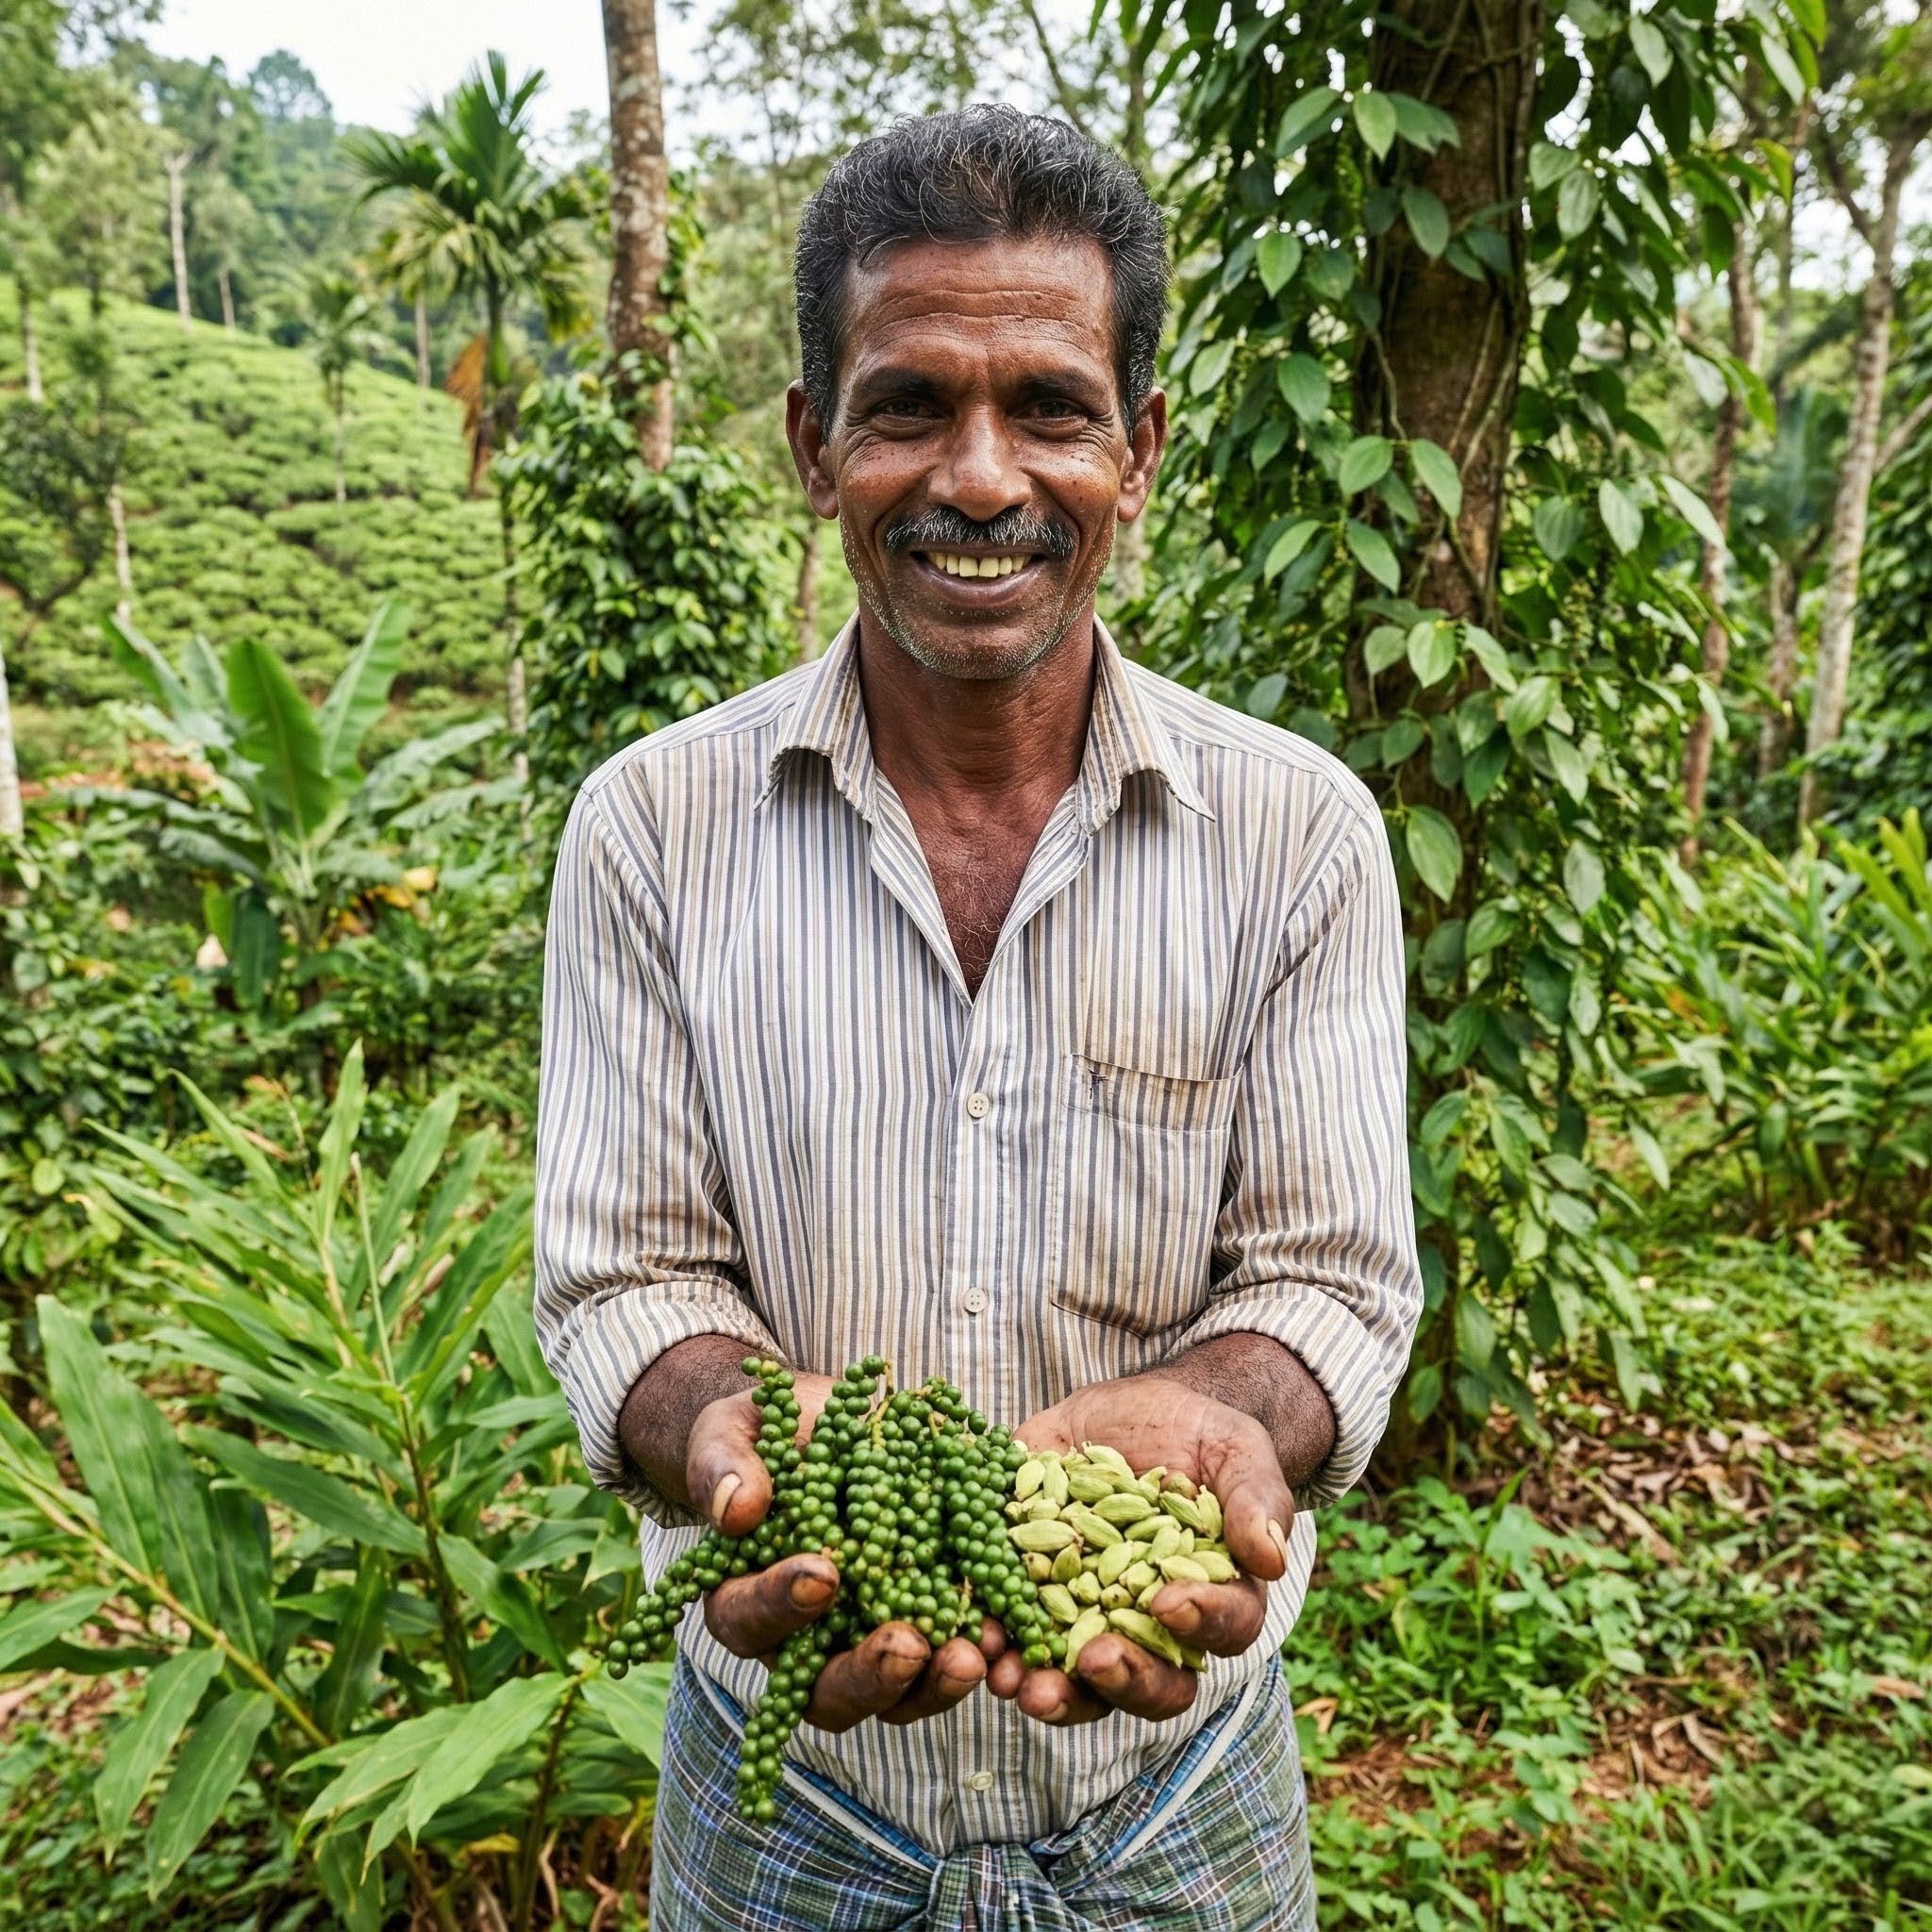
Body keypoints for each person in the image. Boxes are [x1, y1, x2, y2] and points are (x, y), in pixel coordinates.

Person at [534, 104, 1422, 1931]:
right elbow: (623, 1277)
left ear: (1140, 445)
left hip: (1172, 1790)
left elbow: (1330, 1277)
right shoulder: (650, 826)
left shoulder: (1295, 831)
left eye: (1049, 405)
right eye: (909, 405)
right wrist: (737, 1446)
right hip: (793, 1792)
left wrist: (1206, 1421)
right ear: (811, 443)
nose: (982, 475)